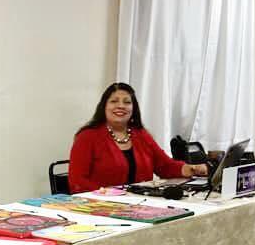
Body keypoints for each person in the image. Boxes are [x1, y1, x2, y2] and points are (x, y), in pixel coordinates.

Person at [68, 82, 209, 193]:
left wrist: (192, 168)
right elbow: (77, 181)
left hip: (140, 203)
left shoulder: (141, 135)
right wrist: (109, 194)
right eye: (114, 101)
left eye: (127, 102)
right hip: (99, 206)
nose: (121, 106)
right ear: (104, 106)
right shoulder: (87, 137)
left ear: (133, 108)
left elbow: (165, 166)